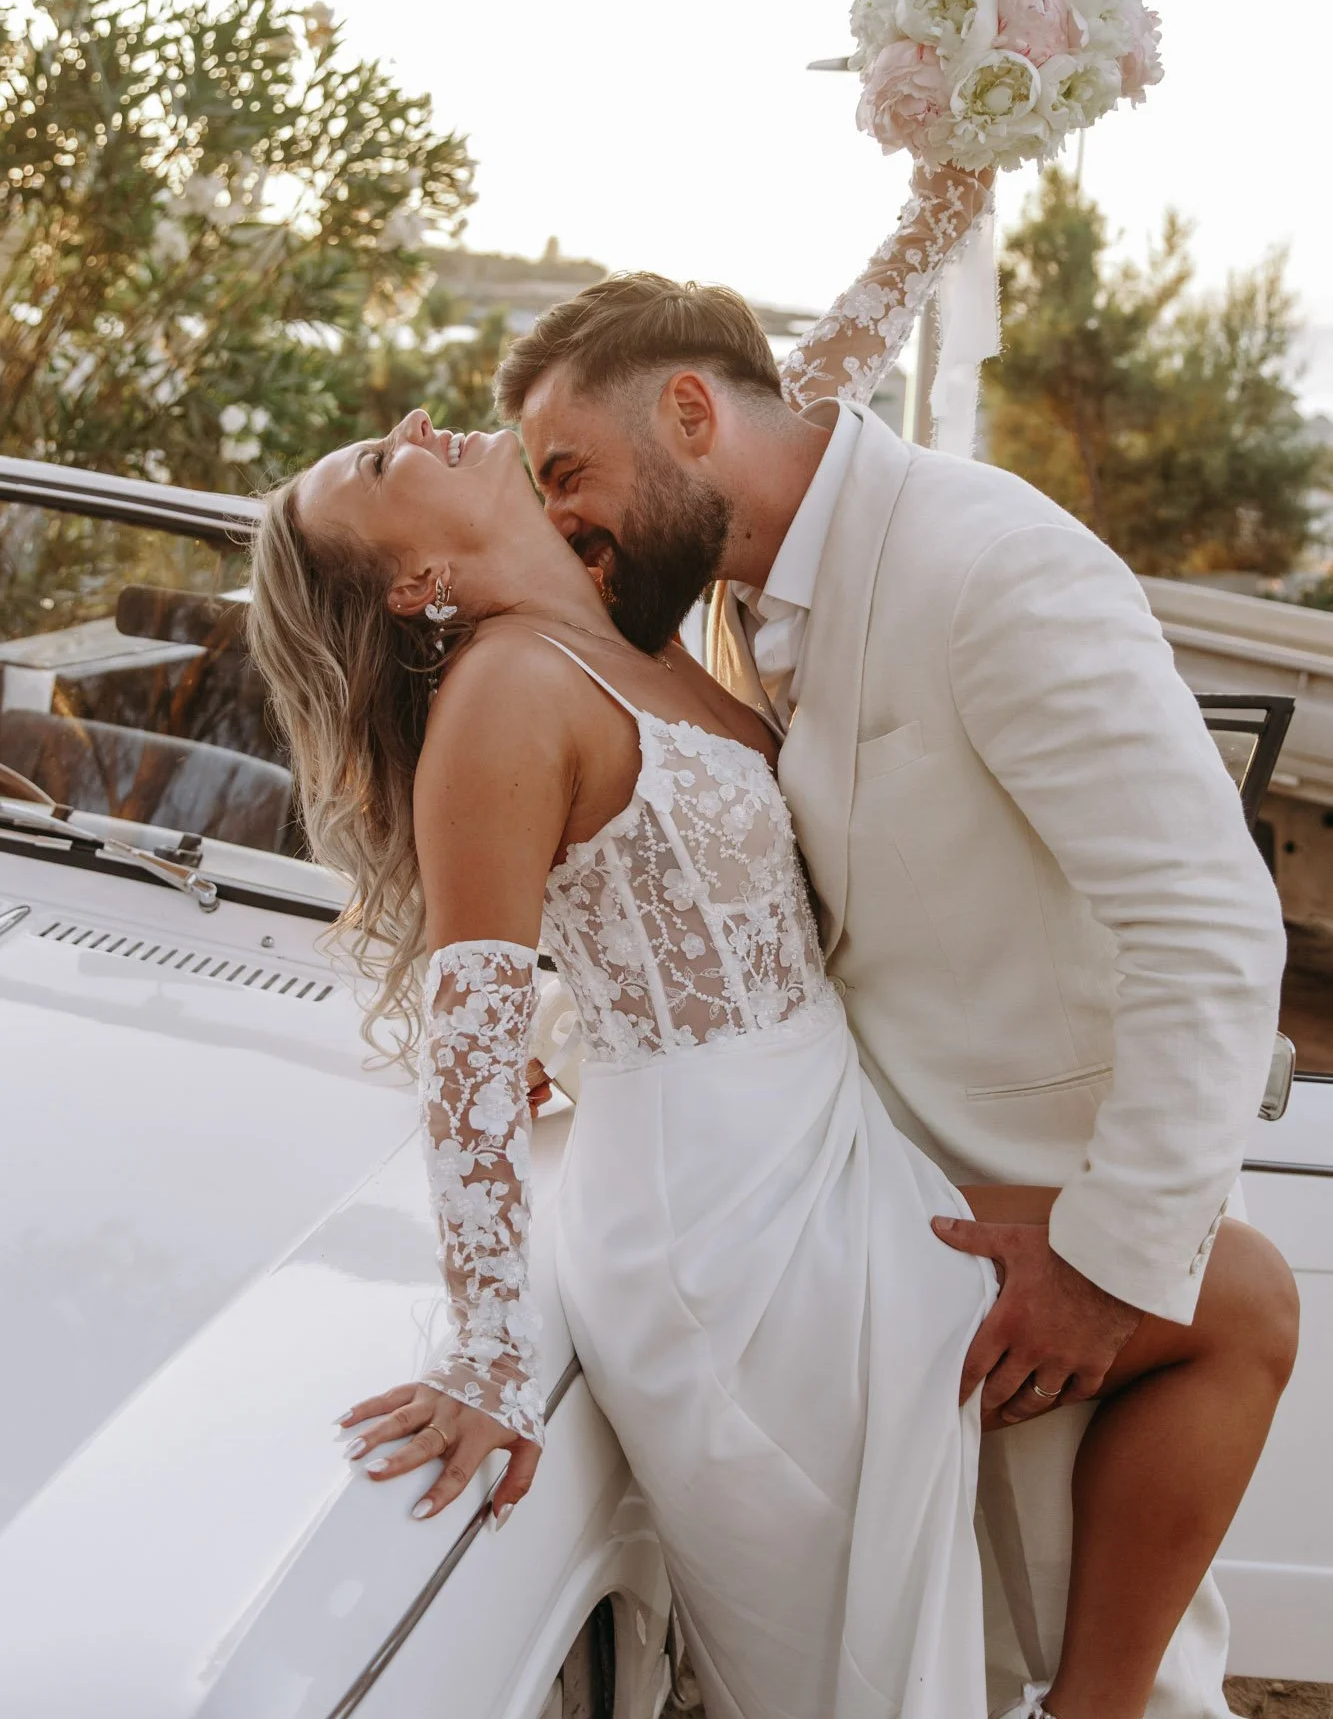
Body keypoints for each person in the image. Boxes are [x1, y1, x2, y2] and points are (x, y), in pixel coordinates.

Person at [246, 261, 1295, 1717]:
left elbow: (671, 895)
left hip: (816, 1145)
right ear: (416, 583)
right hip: (724, 1212)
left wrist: (590, 1010)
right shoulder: (506, 688)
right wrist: (487, 1355)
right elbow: (465, 1049)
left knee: (1185, 1349)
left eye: (567, 464)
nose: (422, 422)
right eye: (382, 460)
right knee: (1238, 1298)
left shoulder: (650, 630)